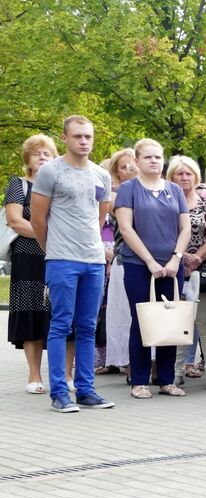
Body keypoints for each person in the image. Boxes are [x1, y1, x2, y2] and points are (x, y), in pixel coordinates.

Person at [29, 115, 115, 413]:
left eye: (88, 137)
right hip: (62, 260)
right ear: (65, 138)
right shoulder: (50, 172)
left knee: (88, 327)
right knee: (61, 325)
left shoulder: (101, 176)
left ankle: (86, 390)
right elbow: (37, 220)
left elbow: (100, 216)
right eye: (77, 136)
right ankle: (59, 393)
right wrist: (51, 249)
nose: (83, 141)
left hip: (93, 260)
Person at [114, 138, 191, 399]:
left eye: (158, 157)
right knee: (142, 321)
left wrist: (176, 258)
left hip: (172, 266)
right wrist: (149, 261)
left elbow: (186, 228)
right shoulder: (129, 189)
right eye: (148, 157)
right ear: (137, 162)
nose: (154, 161)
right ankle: (139, 380)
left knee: (170, 320)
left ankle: (167, 379)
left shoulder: (175, 190)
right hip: (139, 265)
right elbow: (126, 228)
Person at [6, 134, 58, 394]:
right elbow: (15, 220)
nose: (42, 157)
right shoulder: (18, 184)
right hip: (28, 258)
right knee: (31, 315)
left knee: (58, 315)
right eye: (37, 153)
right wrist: (47, 237)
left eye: (47, 153)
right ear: (27, 158)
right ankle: (34, 374)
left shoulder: (60, 185)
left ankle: (65, 375)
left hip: (58, 257)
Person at [168, 156, 206, 389]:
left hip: (204, 269)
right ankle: (177, 372)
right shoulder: (166, 203)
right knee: (179, 322)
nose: (184, 177)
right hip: (173, 268)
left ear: (196, 176)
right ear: (171, 177)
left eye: (188, 173)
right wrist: (181, 258)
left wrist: (196, 258)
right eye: (179, 173)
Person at [100, 148, 138, 375]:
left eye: (133, 164)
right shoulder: (114, 195)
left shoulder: (161, 189)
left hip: (156, 259)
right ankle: (130, 363)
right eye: (124, 167)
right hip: (125, 259)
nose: (130, 169)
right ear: (116, 173)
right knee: (125, 315)